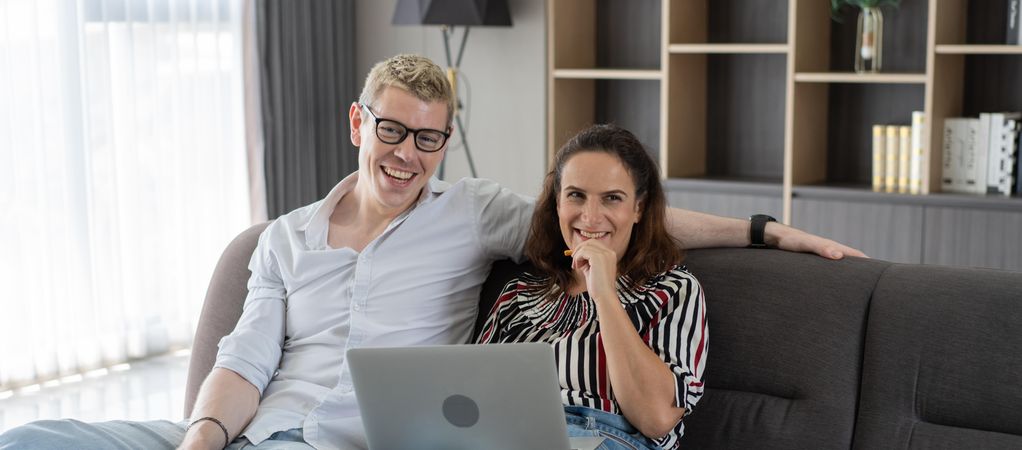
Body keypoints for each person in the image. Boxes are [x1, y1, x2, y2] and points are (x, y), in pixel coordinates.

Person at [0, 54, 862, 450]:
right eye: (392, 131)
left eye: (429, 138)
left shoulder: (477, 216)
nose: (407, 154)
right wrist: (202, 437)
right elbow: (244, 357)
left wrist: (763, 230)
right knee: (39, 438)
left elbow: (606, 222)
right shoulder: (286, 239)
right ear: (358, 125)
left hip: (347, 442)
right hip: (249, 432)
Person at [477, 124, 706, 450]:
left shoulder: (672, 290)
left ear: (638, 208)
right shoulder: (519, 294)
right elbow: (471, 399)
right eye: (576, 195)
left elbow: (656, 417)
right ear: (558, 203)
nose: (591, 216)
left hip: (609, 438)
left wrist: (604, 293)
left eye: (612, 198)